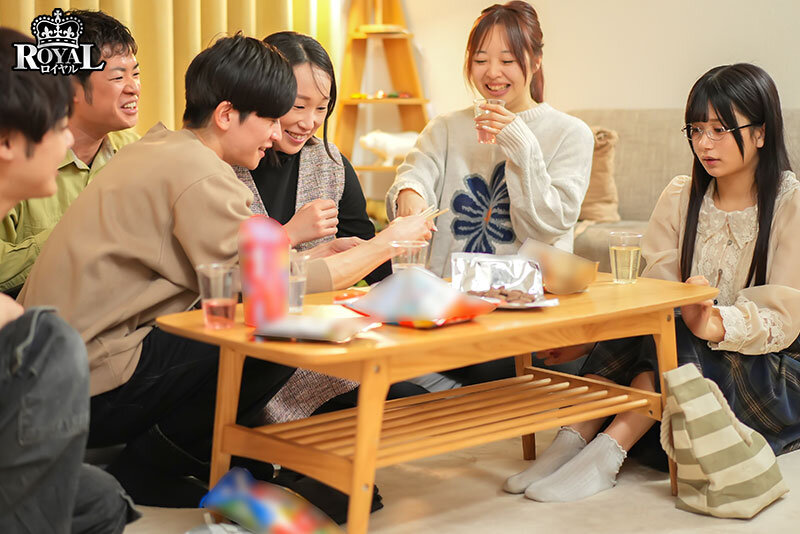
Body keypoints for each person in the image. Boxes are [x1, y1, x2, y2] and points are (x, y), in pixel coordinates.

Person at [19, 34, 432, 507]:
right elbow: (271, 291)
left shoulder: (162, 149)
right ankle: (155, 464)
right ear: (226, 114)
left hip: (60, 376)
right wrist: (388, 242)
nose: (277, 134)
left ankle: (200, 458)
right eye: (271, 119)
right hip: (88, 388)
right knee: (275, 328)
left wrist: (316, 258)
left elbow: (239, 271)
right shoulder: (199, 175)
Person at [505, 63, 800, 503]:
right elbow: (654, 294)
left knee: (677, 331)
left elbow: (785, 319)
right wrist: (590, 340)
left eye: (720, 130)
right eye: (696, 130)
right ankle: (573, 440)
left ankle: (607, 451)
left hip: (770, 373)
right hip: (688, 368)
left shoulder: (790, 204)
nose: (704, 143)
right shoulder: (681, 196)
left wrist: (712, 323)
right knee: (658, 319)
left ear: (760, 133)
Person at [0, 27, 138, 533]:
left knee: (104, 500)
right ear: (7, 141)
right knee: (49, 339)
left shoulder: (134, 152)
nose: (66, 139)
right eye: (59, 125)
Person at [386, 0, 593, 278]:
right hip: (447, 290)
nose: (493, 72)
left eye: (507, 61)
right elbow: (415, 174)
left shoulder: (571, 133)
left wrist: (523, 146)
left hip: (528, 294)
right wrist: (410, 191)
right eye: (481, 60)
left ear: (536, 61)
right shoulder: (445, 128)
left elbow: (547, 229)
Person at [0, 10, 140, 296]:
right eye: (118, 77)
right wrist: (77, 231)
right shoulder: (20, 159)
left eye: (136, 74)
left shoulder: (137, 151)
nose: (134, 87)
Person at [234, 31, 391, 284]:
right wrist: (292, 233)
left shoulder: (330, 164)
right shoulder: (223, 165)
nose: (309, 123)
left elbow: (374, 268)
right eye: (298, 106)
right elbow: (224, 274)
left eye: (321, 108)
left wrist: (394, 242)